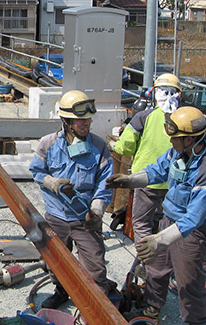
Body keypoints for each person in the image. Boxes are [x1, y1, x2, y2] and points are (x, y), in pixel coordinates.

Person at [106, 106, 206, 325]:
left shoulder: (203, 169)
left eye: (175, 138)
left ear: (189, 140)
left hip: (189, 232)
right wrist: (131, 180)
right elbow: (158, 170)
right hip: (168, 220)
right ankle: (152, 309)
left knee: (189, 283)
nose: (170, 142)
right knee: (157, 269)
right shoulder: (180, 153)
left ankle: (195, 321)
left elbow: (194, 218)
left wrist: (159, 239)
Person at [29, 90, 113, 309]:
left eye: (88, 119)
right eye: (80, 120)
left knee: (95, 266)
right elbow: (36, 171)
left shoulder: (98, 147)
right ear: (66, 121)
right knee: (55, 262)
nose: (86, 123)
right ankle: (61, 291)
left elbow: (106, 180)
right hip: (56, 217)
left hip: (86, 219)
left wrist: (97, 208)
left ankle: (98, 309)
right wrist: (51, 182)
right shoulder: (48, 144)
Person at [112, 73, 181, 320]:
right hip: (176, 186)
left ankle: (145, 256)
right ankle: (162, 255)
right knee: (168, 227)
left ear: (153, 92)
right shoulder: (185, 118)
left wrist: (118, 142)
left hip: (147, 181)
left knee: (141, 223)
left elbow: (125, 147)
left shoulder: (144, 117)